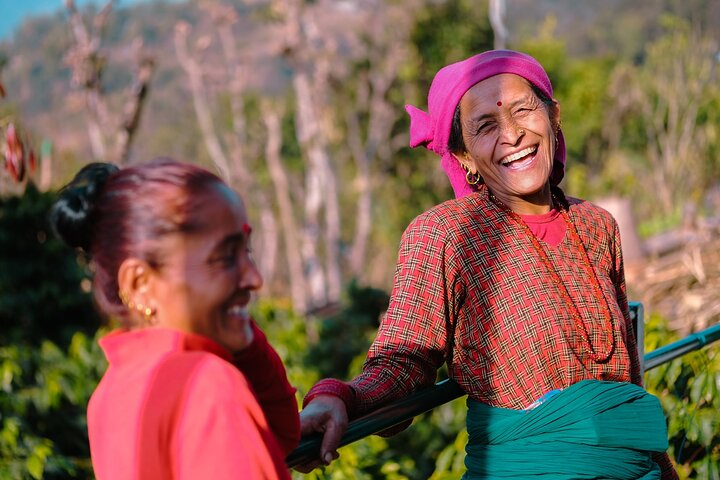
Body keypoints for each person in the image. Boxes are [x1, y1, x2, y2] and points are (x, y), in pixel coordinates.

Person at [298, 50, 678, 479]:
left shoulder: (597, 226)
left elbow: (627, 386)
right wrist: (340, 398)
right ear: (462, 156)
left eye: (523, 111)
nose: (512, 135)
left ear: (553, 117)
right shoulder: (444, 233)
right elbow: (403, 361)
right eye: (486, 126)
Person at [50, 158, 300, 479]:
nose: (254, 278)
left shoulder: (109, 394)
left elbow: (280, 434)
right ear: (140, 284)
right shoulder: (207, 385)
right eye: (225, 257)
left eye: (246, 253)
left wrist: (231, 327)